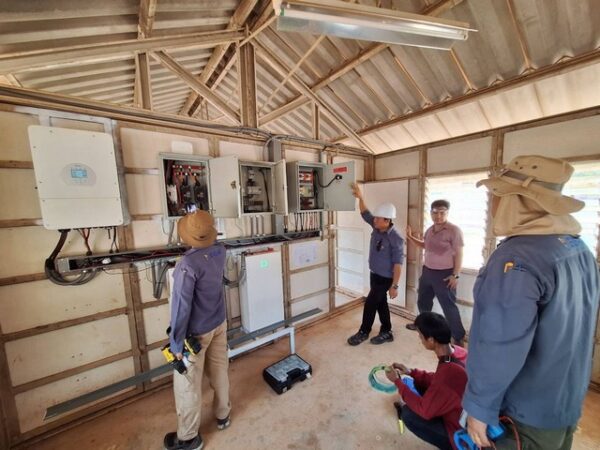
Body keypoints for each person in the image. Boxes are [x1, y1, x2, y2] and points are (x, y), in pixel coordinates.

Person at [463, 155, 600, 449]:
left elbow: (500, 343)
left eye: (498, 194)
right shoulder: (578, 248)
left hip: (525, 412)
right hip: (564, 402)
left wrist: (479, 407)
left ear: (519, 201)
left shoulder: (517, 258)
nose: (493, 203)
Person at [164, 210, 231, 450]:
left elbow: (181, 307)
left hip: (196, 334)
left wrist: (176, 343)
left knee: (187, 385)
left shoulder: (187, 265)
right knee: (220, 371)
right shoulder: (220, 251)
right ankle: (223, 415)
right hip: (219, 323)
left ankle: (189, 438)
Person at [386, 312, 468, 450]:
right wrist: (412, 372)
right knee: (418, 383)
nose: (420, 339)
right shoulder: (458, 353)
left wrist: (398, 382)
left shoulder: (447, 373)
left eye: (420, 336)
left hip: (459, 430)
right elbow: (437, 379)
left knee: (408, 415)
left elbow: (424, 410)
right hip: (463, 407)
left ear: (430, 340)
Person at [347, 183, 404, 346]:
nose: (375, 220)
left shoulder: (396, 238)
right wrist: (360, 197)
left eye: (378, 218)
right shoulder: (377, 226)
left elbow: (398, 264)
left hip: (385, 278)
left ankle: (363, 331)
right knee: (380, 303)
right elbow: (365, 213)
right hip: (375, 274)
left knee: (371, 303)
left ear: (387, 220)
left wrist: (395, 286)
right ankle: (387, 331)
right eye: (376, 217)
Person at [405, 199, 466, 346]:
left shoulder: (454, 230)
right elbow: (425, 245)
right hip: (427, 272)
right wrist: (410, 237)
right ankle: (424, 326)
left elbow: (459, 253)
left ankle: (458, 336)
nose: (438, 216)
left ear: (447, 213)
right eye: (435, 212)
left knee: (448, 306)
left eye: (442, 213)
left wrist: (456, 275)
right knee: (423, 302)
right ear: (431, 213)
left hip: (445, 275)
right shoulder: (430, 230)